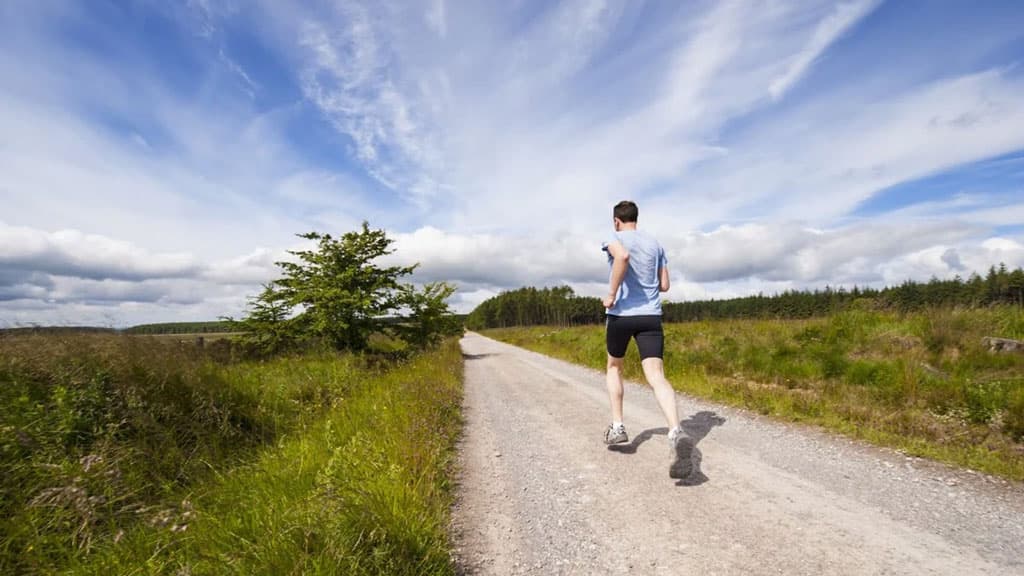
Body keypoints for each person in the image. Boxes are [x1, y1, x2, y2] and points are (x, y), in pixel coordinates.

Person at [601, 200, 691, 479]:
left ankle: (618, 427)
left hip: (621, 315)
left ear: (617, 221)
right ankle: (676, 431)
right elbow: (664, 285)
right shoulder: (656, 244)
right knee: (656, 376)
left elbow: (622, 257)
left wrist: (612, 294)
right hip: (651, 316)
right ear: (636, 219)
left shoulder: (613, 238)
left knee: (615, 366)